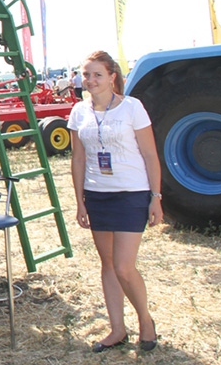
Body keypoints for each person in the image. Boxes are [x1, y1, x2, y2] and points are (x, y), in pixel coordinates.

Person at [67, 50, 162, 353]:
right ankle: (117, 329)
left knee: (123, 266)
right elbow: (78, 159)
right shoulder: (79, 112)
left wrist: (156, 197)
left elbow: (149, 154)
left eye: (97, 74)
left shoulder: (132, 108)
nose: (90, 80)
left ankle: (145, 320)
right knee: (107, 264)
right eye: (86, 74)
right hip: (97, 195)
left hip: (131, 194)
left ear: (112, 77)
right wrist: (80, 201)